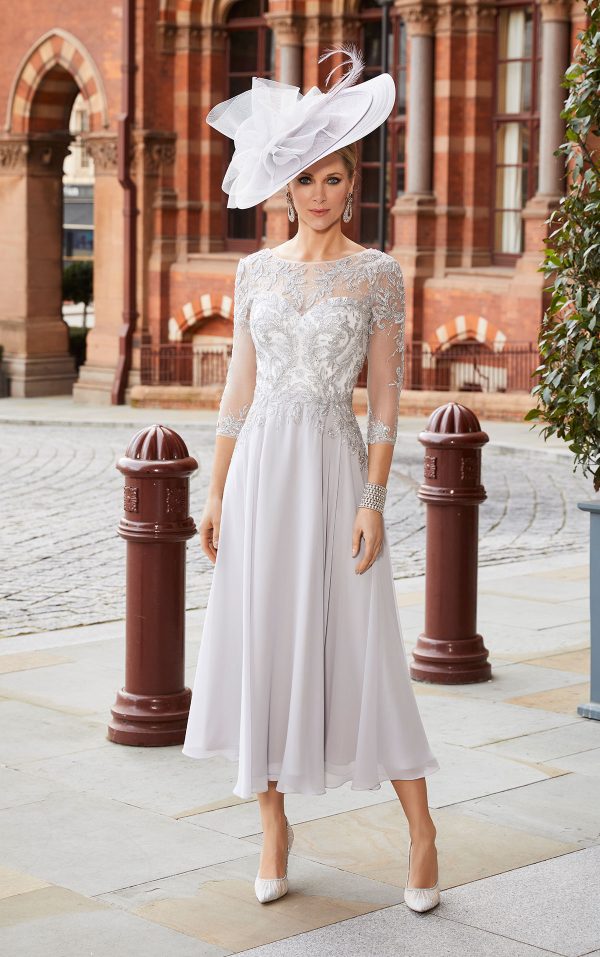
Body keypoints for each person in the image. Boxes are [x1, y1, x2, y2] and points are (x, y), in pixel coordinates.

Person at [182, 43, 441, 912]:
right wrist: (215, 491)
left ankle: (421, 830)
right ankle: (272, 826)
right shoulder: (255, 272)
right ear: (285, 187)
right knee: (263, 641)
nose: (321, 193)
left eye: (335, 178)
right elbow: (235, 392)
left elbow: (385, 406)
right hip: (259, 474)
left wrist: (372, 502)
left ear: (351, 183)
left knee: (364, 645)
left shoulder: (377, 275)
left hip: (333, 475)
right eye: (306, 180)